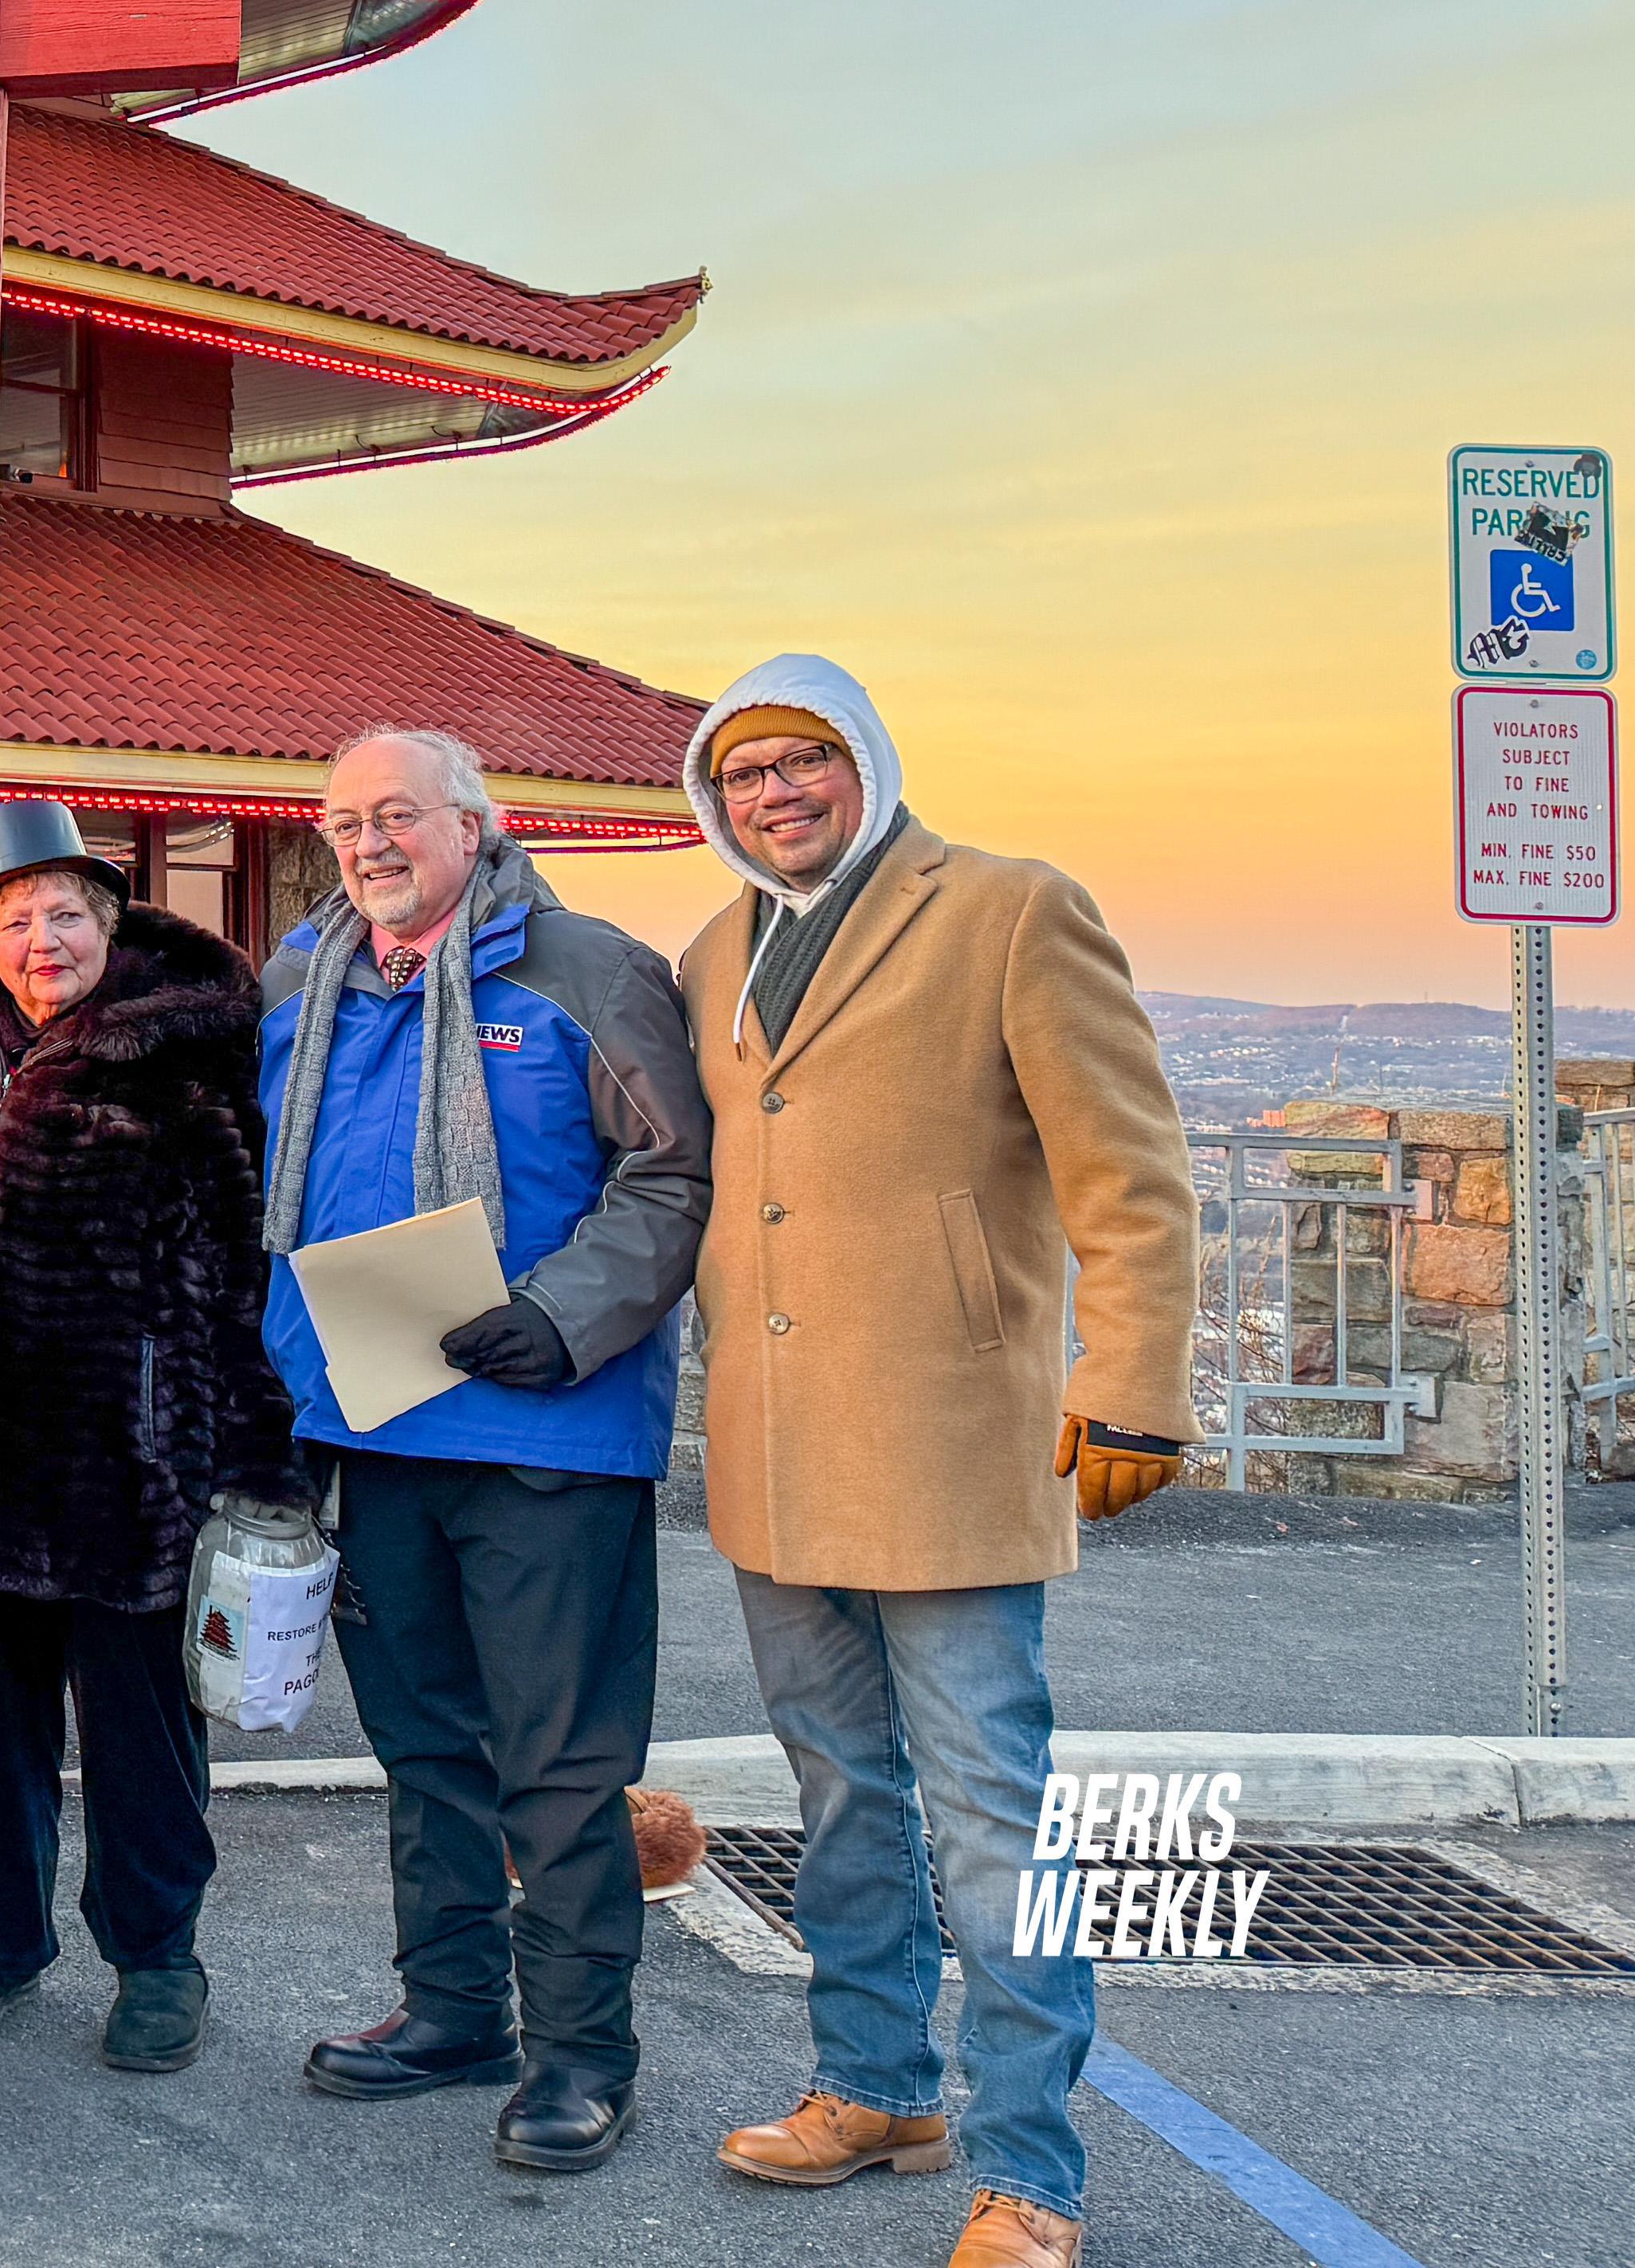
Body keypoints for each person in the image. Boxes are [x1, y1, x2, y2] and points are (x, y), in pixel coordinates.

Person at [676, 659, 1197, 2268]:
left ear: (869, 761)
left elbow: (1134, 1171)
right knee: (838, 1798)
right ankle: (875, 2085)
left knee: (998, 1820)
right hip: (774, 1453)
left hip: (955, 1440)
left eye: (806, 758)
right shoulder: (713, 950)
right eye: (745, 769)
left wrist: (1138, 1389)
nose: (778, 791)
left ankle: (1032, 2167)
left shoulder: (1010, 908)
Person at [263, 730, 711, 2176]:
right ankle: (455, 2008)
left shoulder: (584, 970)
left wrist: (561, 1314)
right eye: (343, 822)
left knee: (561, 1763)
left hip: (548, 1433)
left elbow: (669, 1169)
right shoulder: (299, 980)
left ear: (473, 822)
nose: (368, 842)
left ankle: (583, 2051)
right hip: (371, 1421)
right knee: (419, 1743)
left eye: (396, 813)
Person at [0, 800, 293, 2077]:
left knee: (141, 1730)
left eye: (66, 915)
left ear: (113, 926)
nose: (42, 940)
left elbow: (242, 1265)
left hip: (131, 1459)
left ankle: (159, 1954)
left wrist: (250, 1450)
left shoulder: (188, 1054)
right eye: (17, 920)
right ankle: (2, 1937)